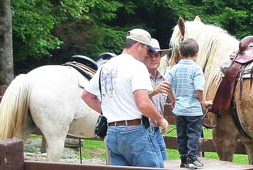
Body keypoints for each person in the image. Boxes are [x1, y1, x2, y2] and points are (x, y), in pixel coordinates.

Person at [81, 28, 168, 168]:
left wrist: (109, 113)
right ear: (139, 45)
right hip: (135, 131)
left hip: (112, 132)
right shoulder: (137, 67)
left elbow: (87, 96)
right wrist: (160, 119)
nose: (148, 53)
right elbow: (143, 103)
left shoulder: (106, 66)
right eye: (147, 49)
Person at [166, 38, 212, 169]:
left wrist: (172, 99)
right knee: (193, 134)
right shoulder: (196, 69)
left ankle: (183, 159)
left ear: (180, 53)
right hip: (193, 110)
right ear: (197, 53)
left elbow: (166, 85)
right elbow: (199, 88)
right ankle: (192, 159)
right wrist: (203, 101)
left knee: (181, 135)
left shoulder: (174, 69)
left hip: (179, 110)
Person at [143, 38, 174, 161]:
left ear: (160, 57)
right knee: (155, 164)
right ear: (143, 57)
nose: (154, 58)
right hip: (143, 129)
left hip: (156, 129)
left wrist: (173, 98)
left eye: (156, 55)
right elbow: (138, 100)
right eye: (149, 55)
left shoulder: (163, 78)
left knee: (163, 162)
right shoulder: (139, 77)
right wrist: (155, 90)